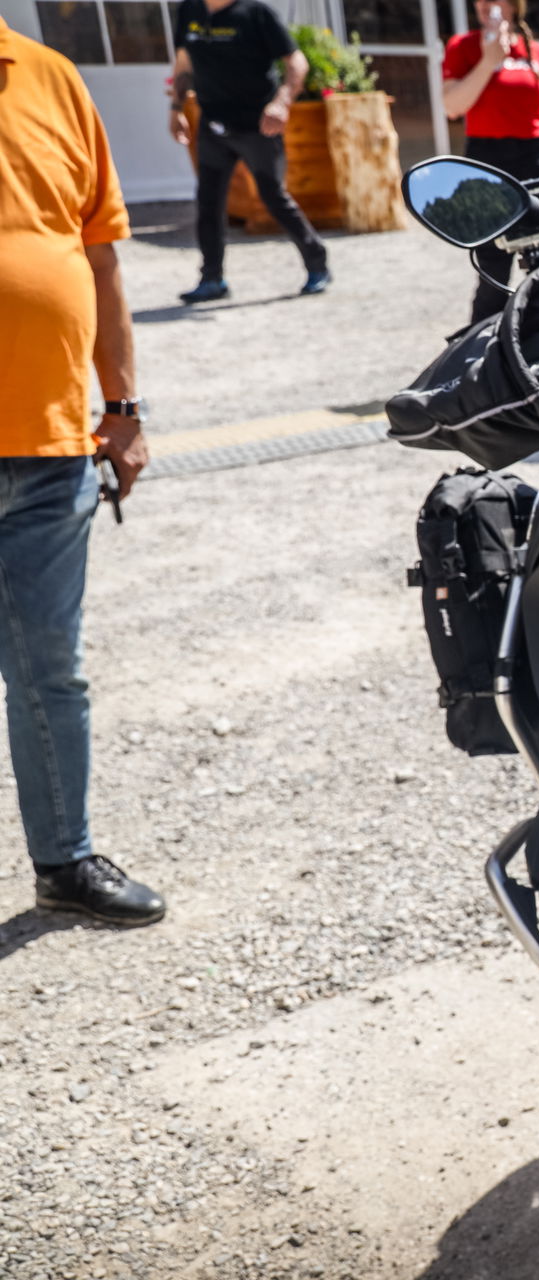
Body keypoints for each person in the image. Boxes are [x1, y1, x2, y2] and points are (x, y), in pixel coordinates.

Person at [0, 16, 165, 924]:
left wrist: (123, 409)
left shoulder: (54, 78)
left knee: (49, 671)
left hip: (52, 444)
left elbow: (99, 259)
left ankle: (63, 862)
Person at [167, 0, 331, 303]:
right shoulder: (190, 10)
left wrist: (281, 102)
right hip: (213, 124)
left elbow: (296, 62)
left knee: (273, 197)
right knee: (208, 202)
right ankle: (212, 279)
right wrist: (176, 108)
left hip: (258, 126)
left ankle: (317, 263)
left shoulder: (255, 13)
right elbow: (184, 63)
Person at [442, 0, 539, 324]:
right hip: (488, 160)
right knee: (493, 266)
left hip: (536, 160)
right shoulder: (462, 47)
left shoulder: (535, 51)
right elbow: (452, 107)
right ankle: (485, 342)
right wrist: (488, 61)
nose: (485, 5)